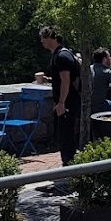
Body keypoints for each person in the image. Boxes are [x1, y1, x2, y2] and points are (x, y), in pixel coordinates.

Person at [39, 27, 81, 167]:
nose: (42, 40)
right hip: (65, 100)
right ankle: (68, 163)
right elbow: (61, 79)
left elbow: (66, 80)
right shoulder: (60, 54)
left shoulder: (62, 56)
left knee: (66, 134)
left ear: (53, 37)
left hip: (68, 101)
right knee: (63, 133)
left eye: (44, 37)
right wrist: (49, 80)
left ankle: (69, 165)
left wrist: (62, 102)